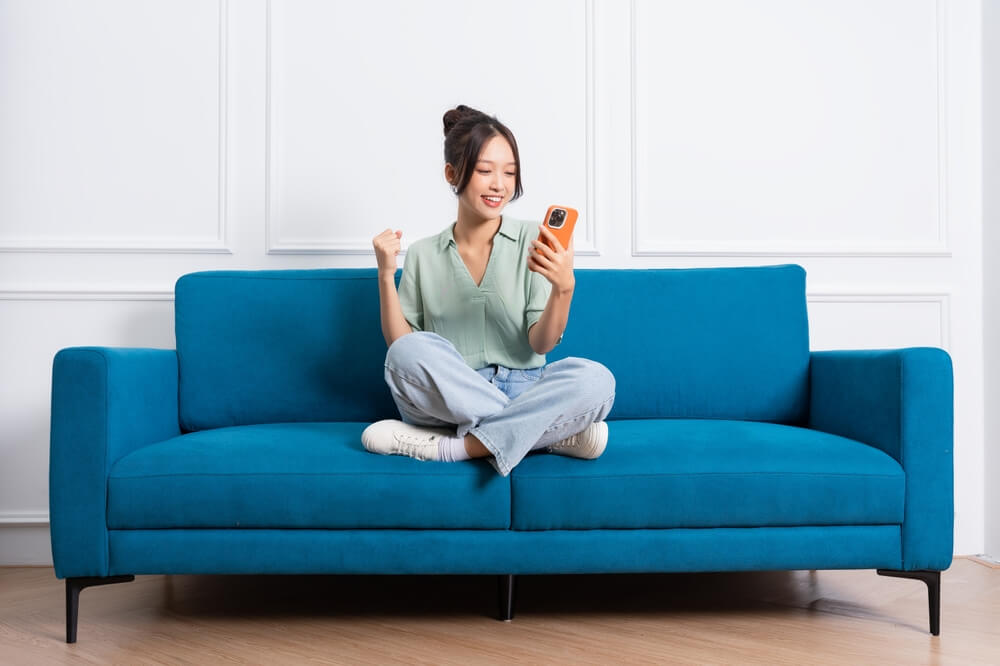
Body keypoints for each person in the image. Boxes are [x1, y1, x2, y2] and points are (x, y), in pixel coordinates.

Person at [361, 104, 615, 477]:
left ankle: (455, 448)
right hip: (454, 396)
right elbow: (403, 348)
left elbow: (540, 345)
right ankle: (541, 434)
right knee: (405, 354)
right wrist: (386, 274)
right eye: (485, 171)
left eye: (510, 173)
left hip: (528, 387)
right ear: (452, 173)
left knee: (598, 380)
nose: (500, 184)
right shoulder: (423, 253)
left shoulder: (534, 239)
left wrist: (564, 288)